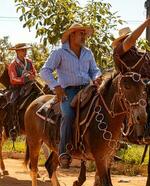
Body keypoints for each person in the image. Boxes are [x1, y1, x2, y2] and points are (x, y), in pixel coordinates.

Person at [40, 23, 102, 168]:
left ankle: (103, 147)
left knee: (102, 109)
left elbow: (94, 70)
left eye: (84, 34)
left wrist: (97, 77)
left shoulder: (88, 52)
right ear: (72, 35)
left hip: (88, 89)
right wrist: (56, 86)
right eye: (81, 33)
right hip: (68, 91)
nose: (84, 36)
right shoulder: (59, 53)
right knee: (68, 115)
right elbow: (45, 71)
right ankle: (63, 152)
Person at [112, 19, 150, 142]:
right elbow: (132, 39)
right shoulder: (119, 52)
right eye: (127, 38)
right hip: (131, 86)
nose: (132, 41)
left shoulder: (142, 53)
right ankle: (146, 132)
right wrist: (146, 23)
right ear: (123, 41)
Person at [8, 43, 36, 137]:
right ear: (17, 52)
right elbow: (13, 79)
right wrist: (24, 79)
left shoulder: (29, 62)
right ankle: (13, 125)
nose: (25, 52)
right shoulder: (13, 64)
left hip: (29, 85)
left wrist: (32, 76)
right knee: (12, 102)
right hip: (17, 88)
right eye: (22, 50)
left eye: (25, 50)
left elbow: (34, 73)